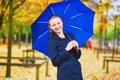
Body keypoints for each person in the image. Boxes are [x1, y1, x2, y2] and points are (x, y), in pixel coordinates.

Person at [48, 15, 83, 80]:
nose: (57, 26)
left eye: (59, 23)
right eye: (54, 25)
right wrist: (67, 49)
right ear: (50, 27)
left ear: (62, 22)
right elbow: (55, 62)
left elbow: (77, 57)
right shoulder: (51, 41)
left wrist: (77, 49)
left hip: (77, 71)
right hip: (65, 74)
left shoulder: (70, 35)